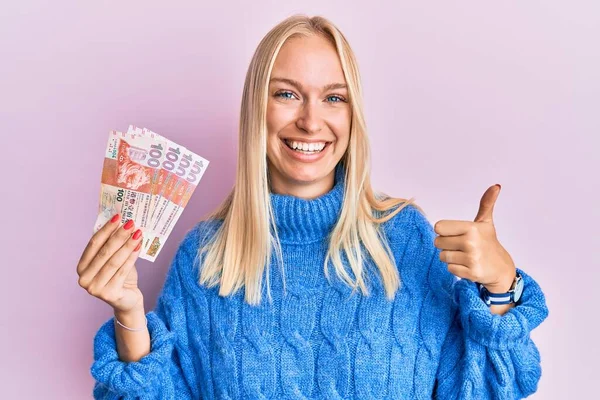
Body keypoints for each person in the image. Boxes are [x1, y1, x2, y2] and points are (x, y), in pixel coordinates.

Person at [77, 14, 548, 399]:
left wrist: (501, 287)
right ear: (256, 110)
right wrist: (129, 313)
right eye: (286, 94)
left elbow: (484, 389)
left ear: (352, 114)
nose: (309, 120)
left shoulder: (404, 238)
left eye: (333, 98)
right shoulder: (205, 256)